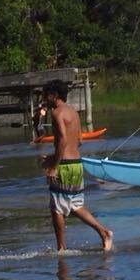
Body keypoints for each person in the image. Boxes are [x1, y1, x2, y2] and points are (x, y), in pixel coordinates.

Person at [40, 81, 112, 251]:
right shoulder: (73, 112)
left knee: (57, 209)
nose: (44, 99)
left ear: (54, 95)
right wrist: (54, 157)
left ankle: (61, 248)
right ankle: (103, 232)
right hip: (77, 164)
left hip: (64, 166)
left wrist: (54, 166)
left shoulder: (56, 113)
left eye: (46, 95)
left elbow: (63, 140)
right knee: (75, 206)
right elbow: (78, 141)